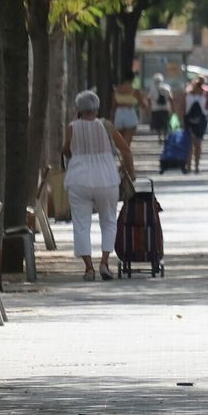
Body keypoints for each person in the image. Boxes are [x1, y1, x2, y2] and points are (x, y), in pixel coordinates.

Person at [63, 90, 135, 282]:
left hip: (79, 179)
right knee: (109, 220)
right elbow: (125, 150)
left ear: (78, 109)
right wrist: (129, 171)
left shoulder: (72, 127)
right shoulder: (107, 125)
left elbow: (65, 150)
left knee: (81, 223)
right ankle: (104, 263)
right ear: (97, 108)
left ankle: (88, 268)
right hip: (106, 178)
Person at [180, 77, 208, 173]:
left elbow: (182, 108)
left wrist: (181, 120)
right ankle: (194, 166)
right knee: (196, 144)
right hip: (197, 121)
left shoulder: (194, 93)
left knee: (192, 144)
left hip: (192, 120)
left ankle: (192, 166)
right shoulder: (197, 94)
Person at [112, 77, 148, 145]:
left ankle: (123, 153)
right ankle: (126, 153)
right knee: (127, 141)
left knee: (121, 139)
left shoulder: (116, 90)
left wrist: (112, 118)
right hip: (129, 112)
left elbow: (113, 106)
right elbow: (142, 104)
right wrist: (146, 108)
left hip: (119, 113)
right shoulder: (134, 91)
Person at [148, 75, 174, 142]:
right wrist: (173, 107)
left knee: (158, 124)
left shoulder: (152, 88)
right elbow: (170, 98)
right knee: (165, 123)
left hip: (155, 108)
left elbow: (149, 98)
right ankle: (165, 136)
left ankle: (160, 137)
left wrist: (149, 107)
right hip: (165, 108)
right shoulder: (167, 87)